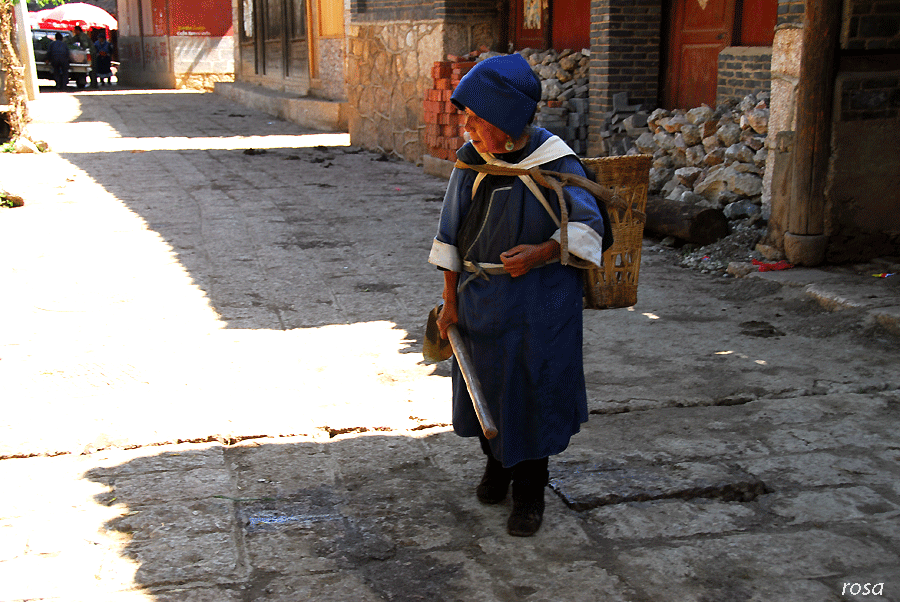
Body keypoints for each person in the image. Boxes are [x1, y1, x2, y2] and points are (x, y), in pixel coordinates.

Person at [428, 53, 607, 537]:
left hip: (543, 304)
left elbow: (592, 231)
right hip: (482, 299)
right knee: (485, 387)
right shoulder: (472, 162)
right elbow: (448, 237)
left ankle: (530, 490)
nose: (466, 127)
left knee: (534, 389)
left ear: (506, 121)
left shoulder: (556, 162)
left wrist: (543, 251)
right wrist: (450, 300)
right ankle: (496, 465)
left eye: (475, 118)